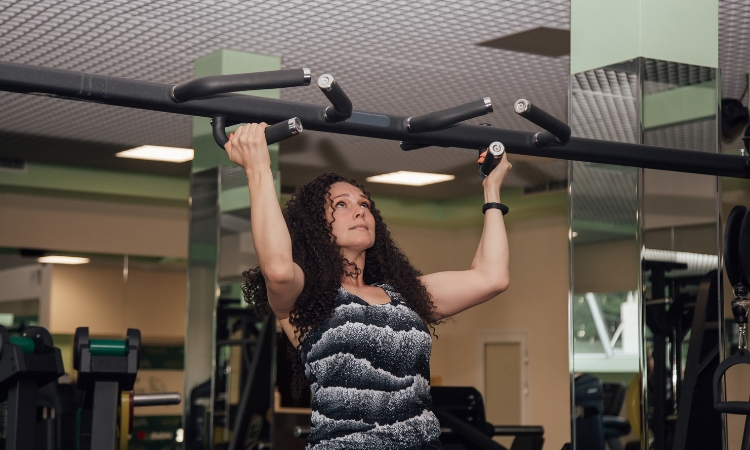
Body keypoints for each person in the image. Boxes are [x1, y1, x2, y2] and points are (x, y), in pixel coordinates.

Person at [224, 123, 511, 449]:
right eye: (342, 205)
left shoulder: (406, 295)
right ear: (314, 227)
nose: (360, 210)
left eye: (364, 204)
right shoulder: (306, 299)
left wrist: (492, 189)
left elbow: (492, 277)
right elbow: (276, 269)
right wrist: (258, 167)